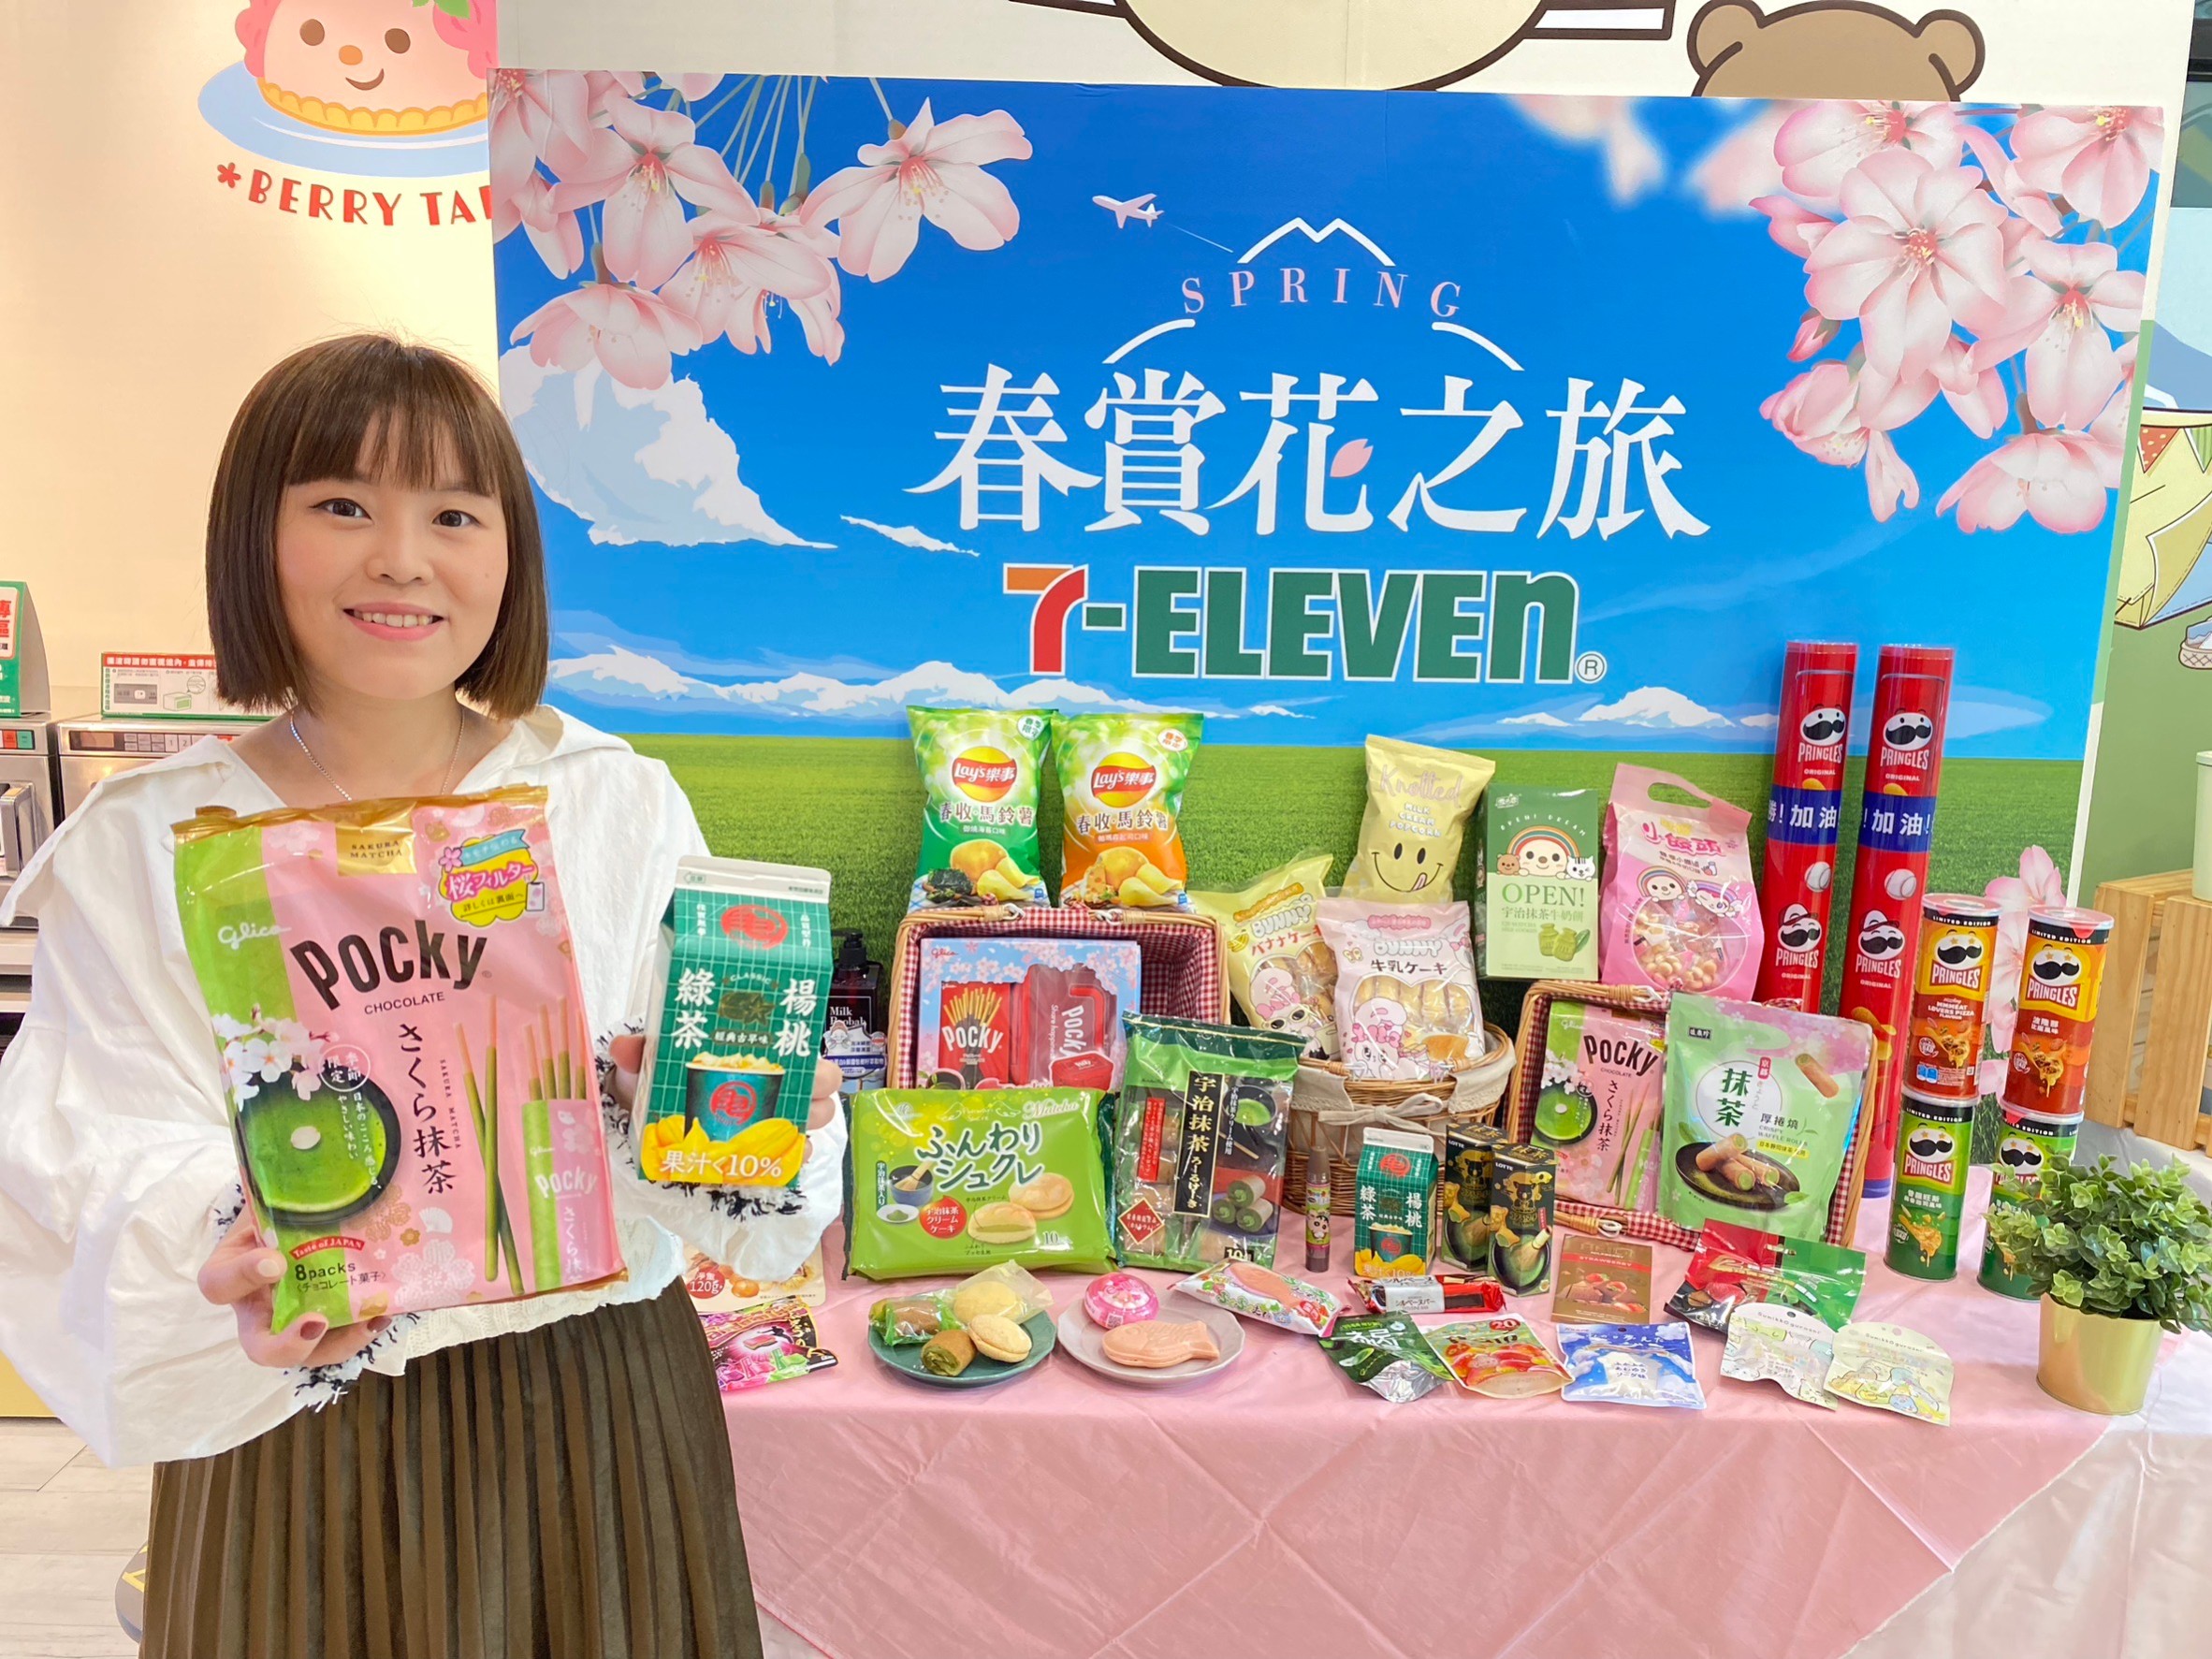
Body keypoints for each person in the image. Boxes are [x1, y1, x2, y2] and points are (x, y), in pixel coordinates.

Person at [0, 334, 844, 1658]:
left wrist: (751, 1110)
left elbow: (711, 1144)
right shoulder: (148, 837)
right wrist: (232, 1241)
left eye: (455, 515)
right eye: (343, 505)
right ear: (254, 535)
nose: (402, 558)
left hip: (593, 1405)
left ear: (512, 559)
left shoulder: (609, 799)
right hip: (294, 1423)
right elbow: (87, 1137)